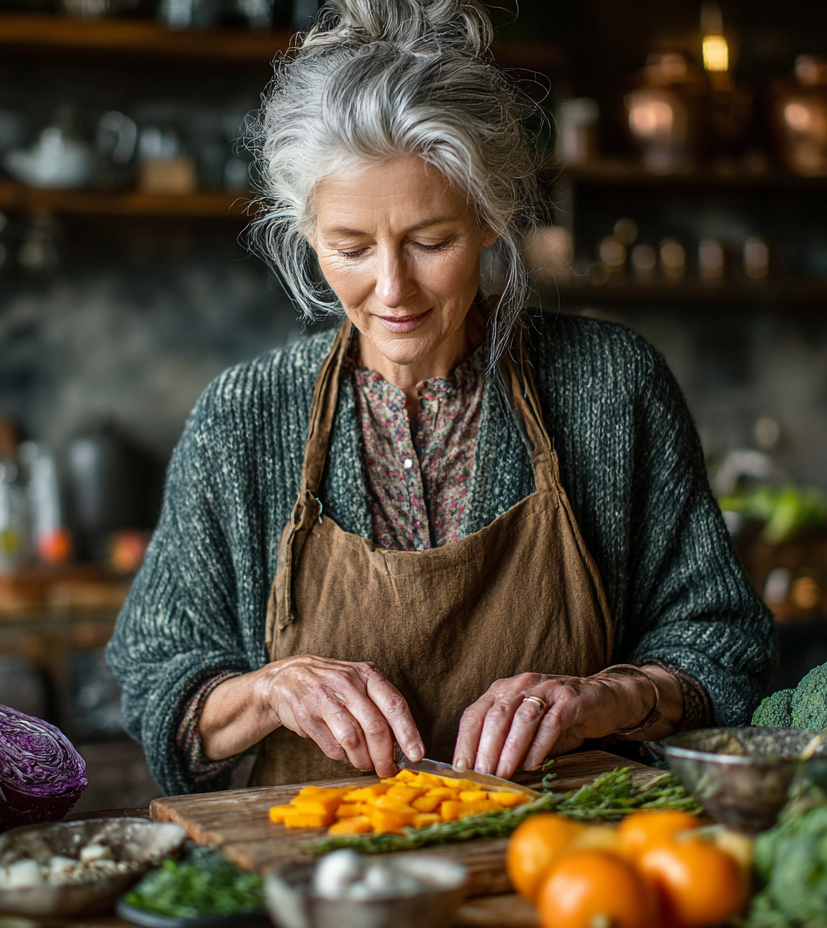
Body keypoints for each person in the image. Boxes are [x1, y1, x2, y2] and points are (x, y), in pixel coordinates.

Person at [107, 0, 776, 795]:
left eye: (432, 242)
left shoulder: (612, 387)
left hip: (570, 874)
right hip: (318, 882)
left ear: (491, 217)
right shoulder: (243, 417)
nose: (393, 290)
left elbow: (725, 645)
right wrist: (268, 690)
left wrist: (608, 697)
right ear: (306, 231)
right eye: (349, 247)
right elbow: (154, 683)